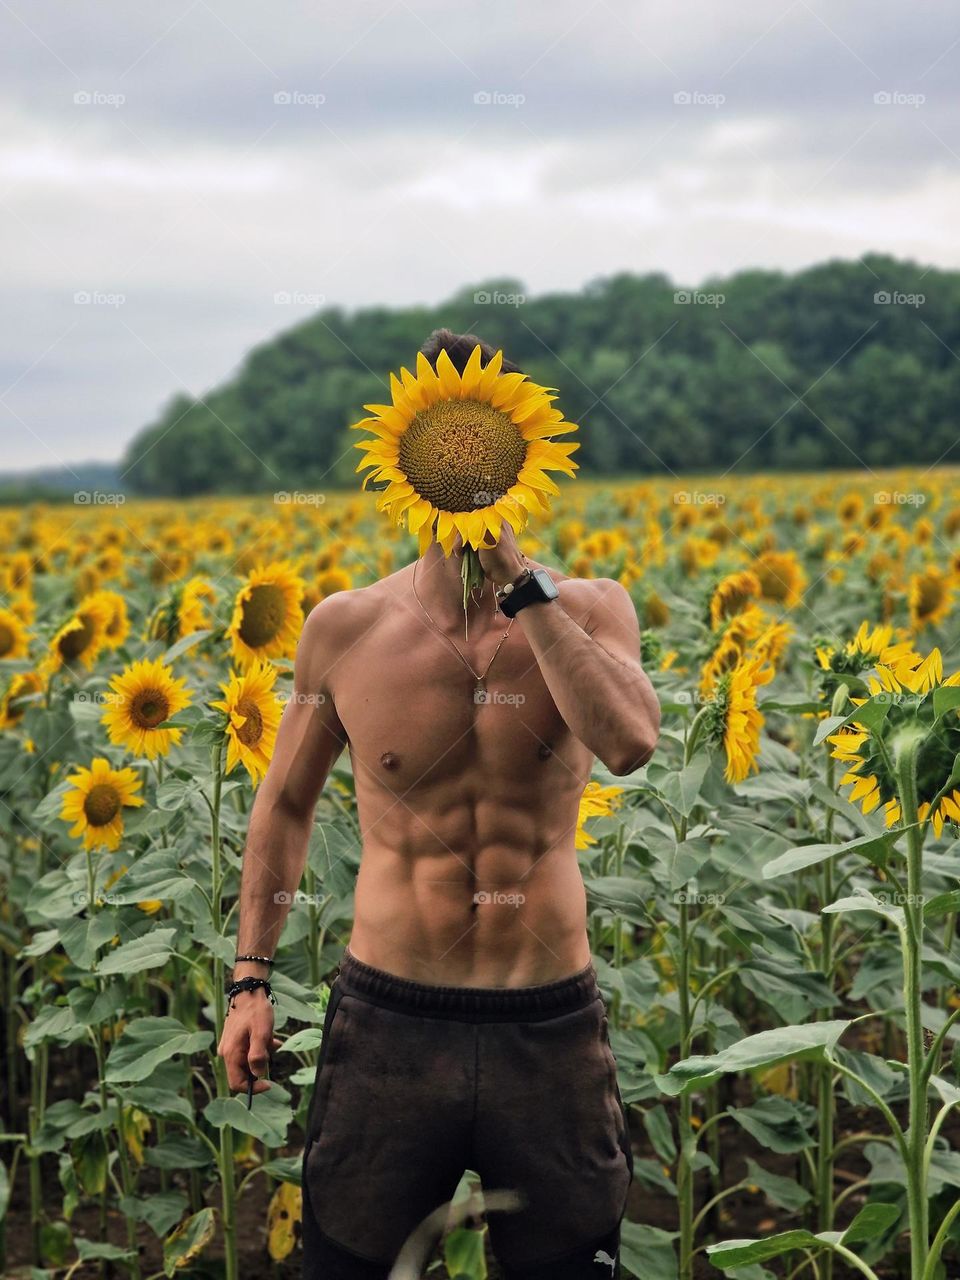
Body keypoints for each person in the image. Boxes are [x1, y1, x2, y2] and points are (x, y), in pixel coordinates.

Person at [217, 330, 661, 1279]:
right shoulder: (346, 628)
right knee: (350, 1264)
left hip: (547, 1024)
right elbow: (284, 805)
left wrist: (523, 588)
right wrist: (249, 980)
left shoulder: (590, 610)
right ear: (405, 467)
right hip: (391, 1021)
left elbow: (629, 742)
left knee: (569, 1267)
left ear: (524, 464)